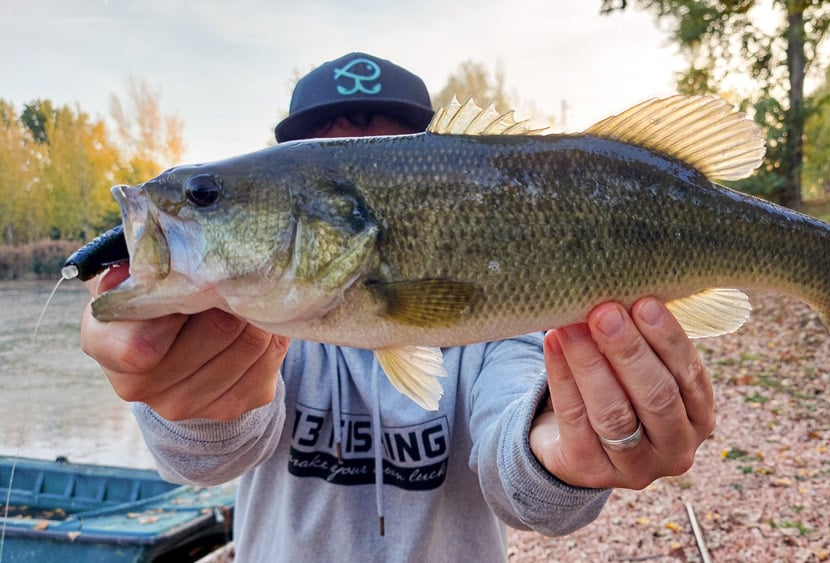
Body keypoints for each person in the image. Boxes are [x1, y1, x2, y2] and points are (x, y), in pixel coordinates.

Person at [80, 52, 716, 562]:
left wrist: (566, 459)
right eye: (329, 146)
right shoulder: (264, 317)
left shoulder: (499, 327)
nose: (365, 153)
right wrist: (183, 400)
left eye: (206, 195)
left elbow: (520, 468)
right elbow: (209, 456)